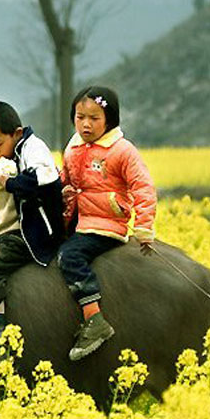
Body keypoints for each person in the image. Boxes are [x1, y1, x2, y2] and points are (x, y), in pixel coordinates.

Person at [59, 85, 156, 361]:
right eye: (80, 117)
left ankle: (95, 320)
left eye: (94, 118)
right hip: (78, 219)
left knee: (70, 256)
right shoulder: (74, 146)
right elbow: (66, 177)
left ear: (110, 120)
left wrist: (144, 227)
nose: (86, 124)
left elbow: (143, 187)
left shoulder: (121, 150)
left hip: (105, 224)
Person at [0, 101, 64, 374]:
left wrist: (9, 180)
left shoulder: (34, 149)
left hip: (26, 236)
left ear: (16, 133)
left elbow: (44, 182)